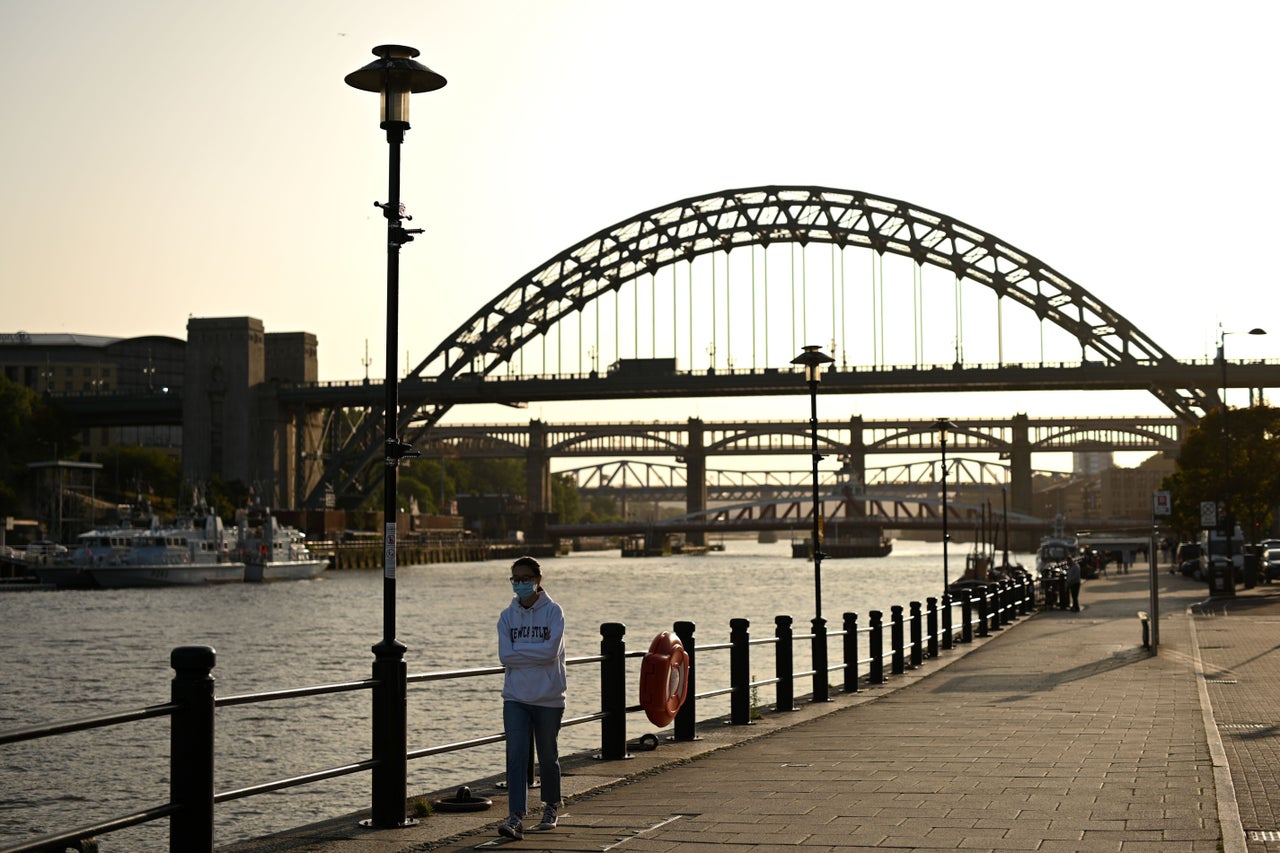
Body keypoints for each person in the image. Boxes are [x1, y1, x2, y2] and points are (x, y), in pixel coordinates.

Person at [496, 556, 566, 840]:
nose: (520, 584)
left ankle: (551, 806)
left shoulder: (554, 612)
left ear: (538, 580)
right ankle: (516, 817)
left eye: (525, 578)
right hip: (515, 697)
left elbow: (551, 652)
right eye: (516, 579)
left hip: (548, 697)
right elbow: (504, 656)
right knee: (515, 756)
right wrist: (534, 654)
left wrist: (521, 654)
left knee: (548, 755)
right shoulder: (506, 616)